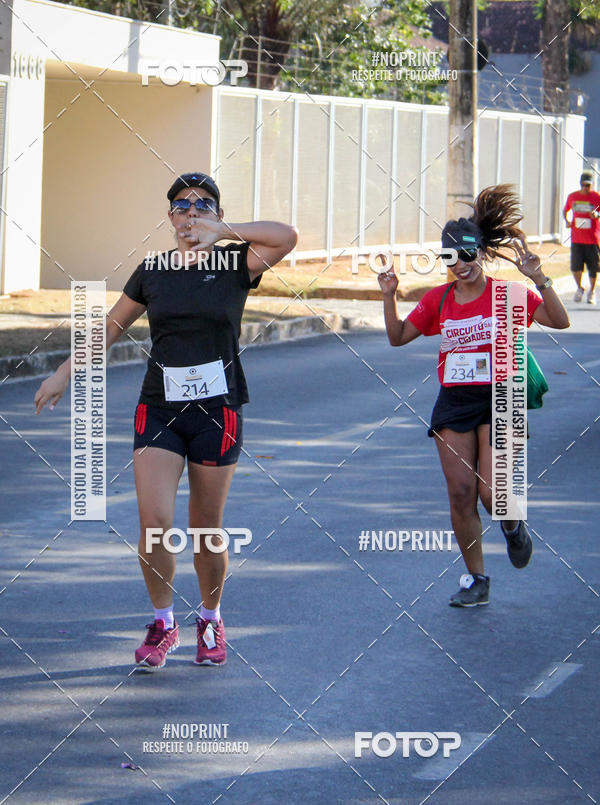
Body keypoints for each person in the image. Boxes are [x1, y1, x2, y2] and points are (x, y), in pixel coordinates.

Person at [34, 172, 298, 667]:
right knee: (154, 523)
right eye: (181, 205)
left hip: (217, 411)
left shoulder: (237, 264)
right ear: (169, 214)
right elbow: (109, 327)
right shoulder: (152, 270)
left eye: (202, 204)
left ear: (217, 212)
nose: (191, 212)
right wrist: (63, 373)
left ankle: (212, 618)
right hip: (159, 408)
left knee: (206, 528)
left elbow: (287, 236)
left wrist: (228, 231)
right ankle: (163, 622)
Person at [378, 185, 569, 607]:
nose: (460, 265)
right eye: (450, 257)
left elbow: (560, 320)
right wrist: (388, 297)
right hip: (456, 399)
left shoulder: (509, 294)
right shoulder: (438, 299)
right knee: (462, 493)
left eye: (467, 255)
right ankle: (477, 579)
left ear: (481, 252)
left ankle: (513, 525)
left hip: (503, 396)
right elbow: (397, 338)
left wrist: (539, 277)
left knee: (492, 494)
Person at [563, 170, 600, 304]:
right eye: (583, 185)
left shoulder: (596, 197)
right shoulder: (573, 196)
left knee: (593, 266)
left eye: (588, 185)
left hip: (592, 239)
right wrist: (567, 221)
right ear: (580, 184)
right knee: (576, 266)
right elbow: (565, 210)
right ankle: (579, 288)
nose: (585, 188)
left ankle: (592, 292)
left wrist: (596, 215)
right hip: (577, 238)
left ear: (591, 185)